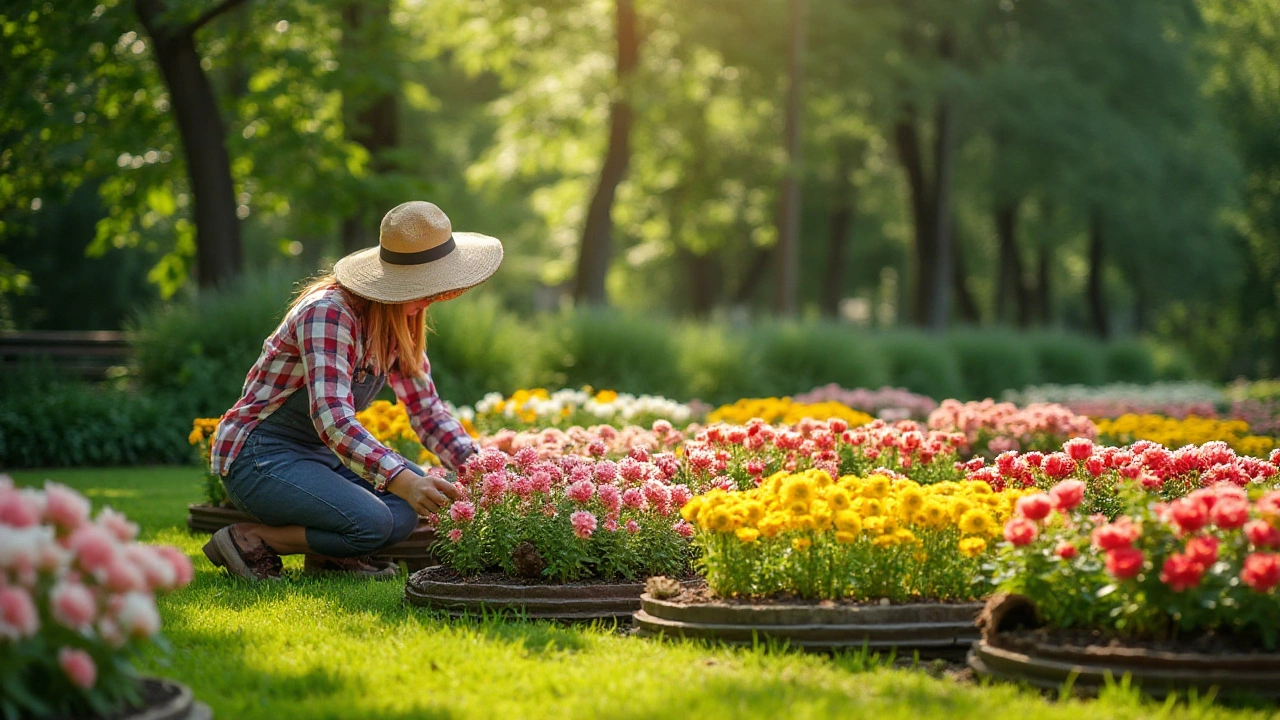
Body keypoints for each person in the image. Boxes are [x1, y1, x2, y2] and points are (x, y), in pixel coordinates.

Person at [202, 201, 502, 581]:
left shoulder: (399, 321)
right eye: (428, 284)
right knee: (373, 521)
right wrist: (407, 480)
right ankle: (251, 538)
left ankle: (330, 556)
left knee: (405, 512)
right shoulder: (328, 313)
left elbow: (426, 410)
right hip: (261, 457)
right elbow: (333, 421)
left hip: (319, 457)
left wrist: (479, 469)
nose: (435, 295)